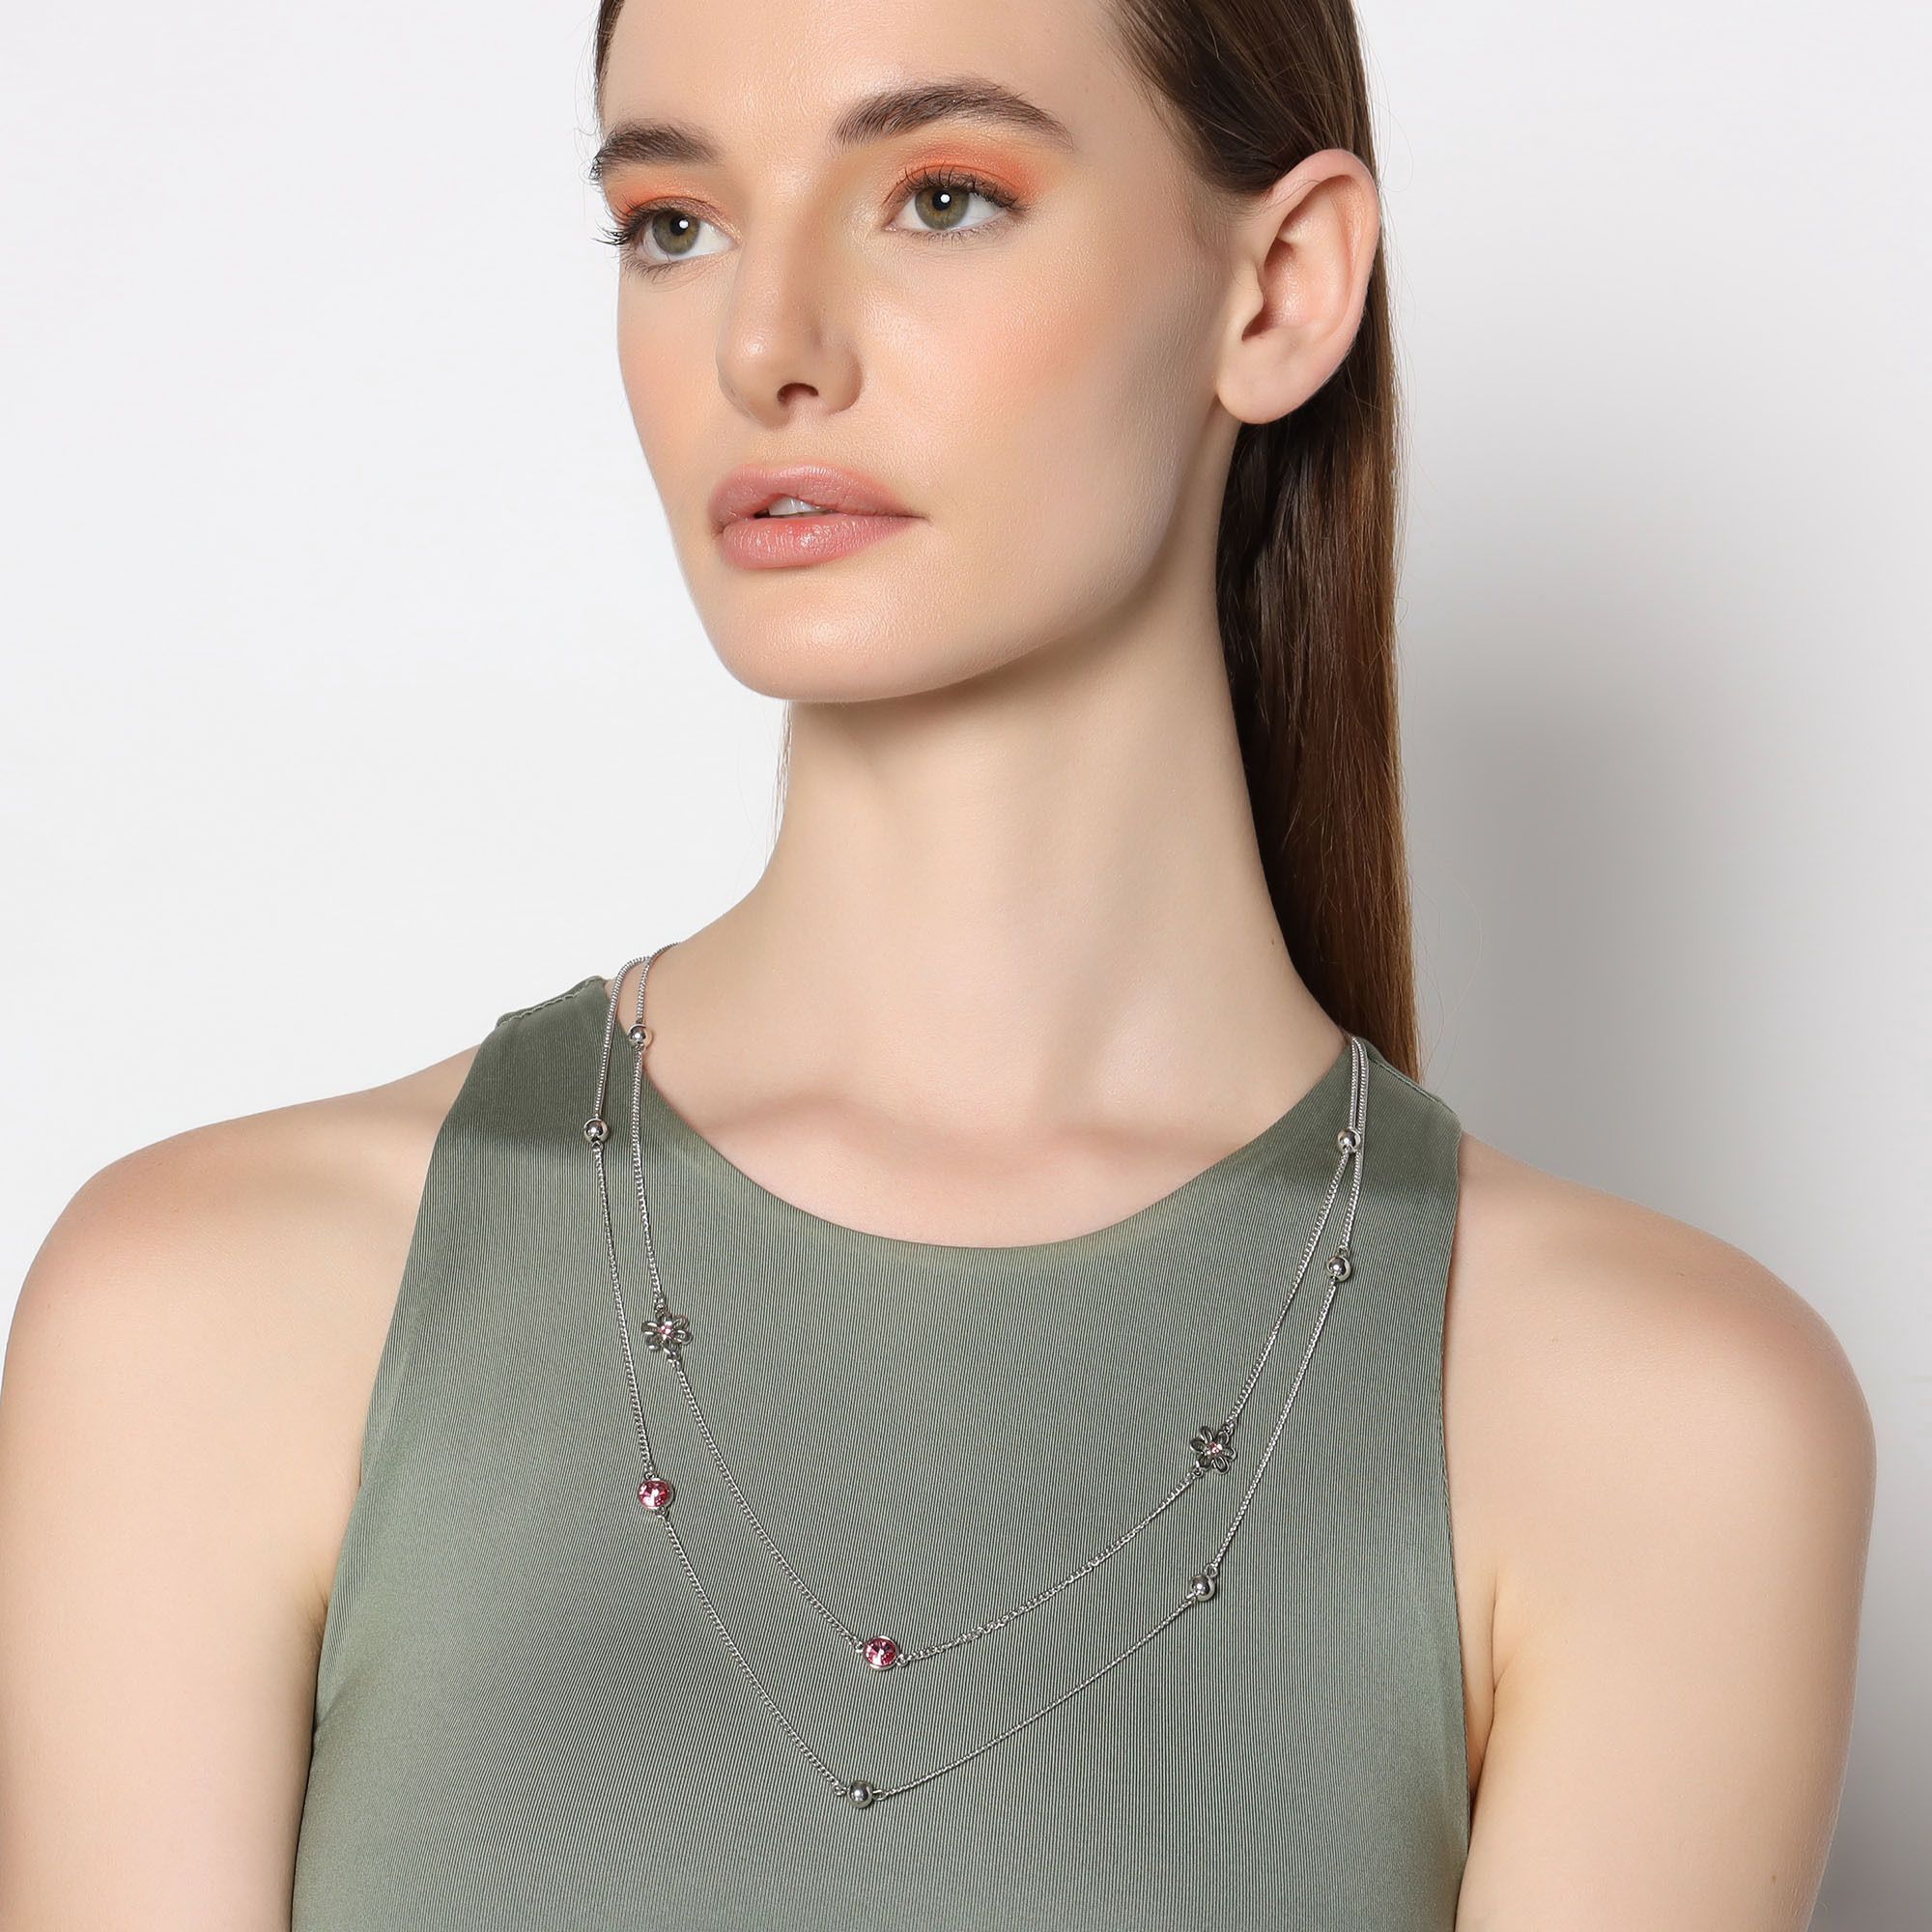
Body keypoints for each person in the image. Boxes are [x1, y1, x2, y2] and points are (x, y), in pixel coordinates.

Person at [0, 0, 1876, 1925]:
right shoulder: (210, 1314)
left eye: (943, 195)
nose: (765, 345)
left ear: (1281, 290)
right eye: (674, 223)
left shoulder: (1652, 1429)